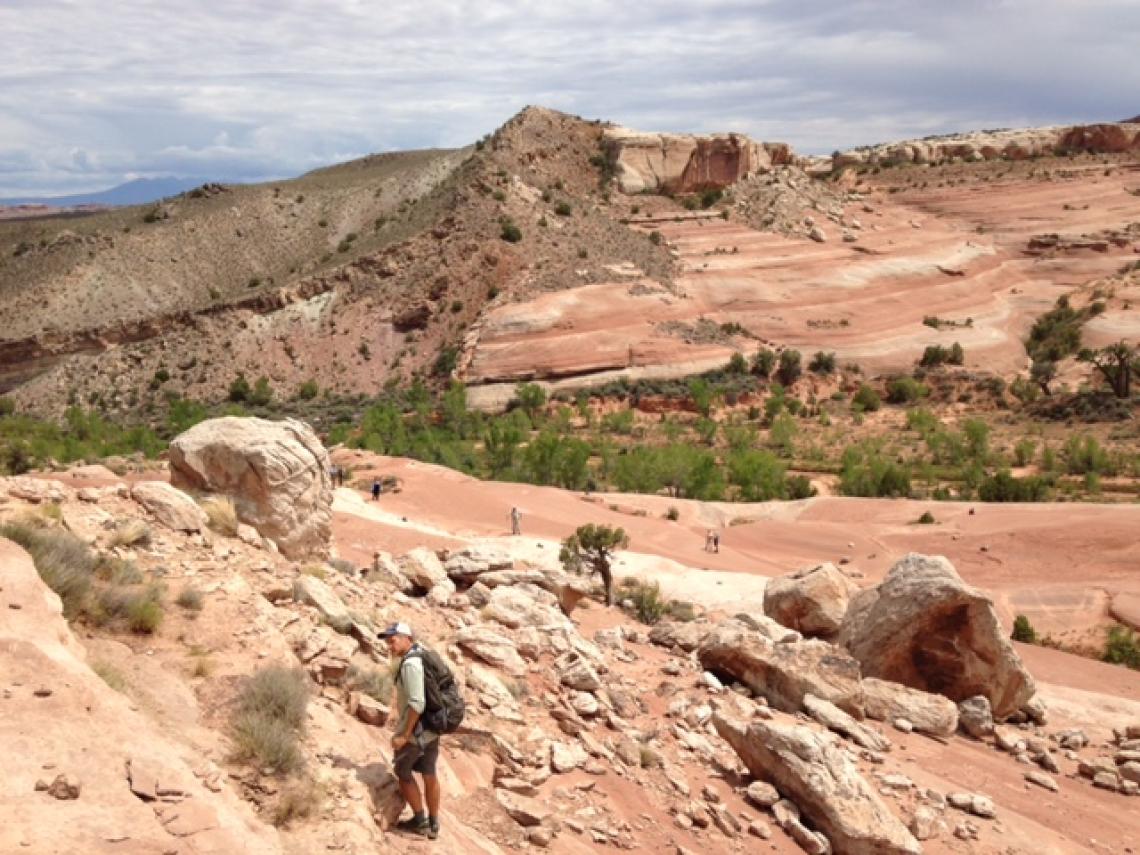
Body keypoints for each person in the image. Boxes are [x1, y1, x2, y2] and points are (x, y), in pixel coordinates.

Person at [381, 622, 441, 840]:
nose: (390, 646)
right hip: (432, 728)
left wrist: (405, 734)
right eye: (388, 642)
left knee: (403, 773)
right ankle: (434, 825)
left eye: (393, 640)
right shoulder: (422, 655)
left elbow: (417, 703)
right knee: (429, 773)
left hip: (415, 732)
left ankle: (420, 822)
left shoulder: (410, 665)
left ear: (407, 638)